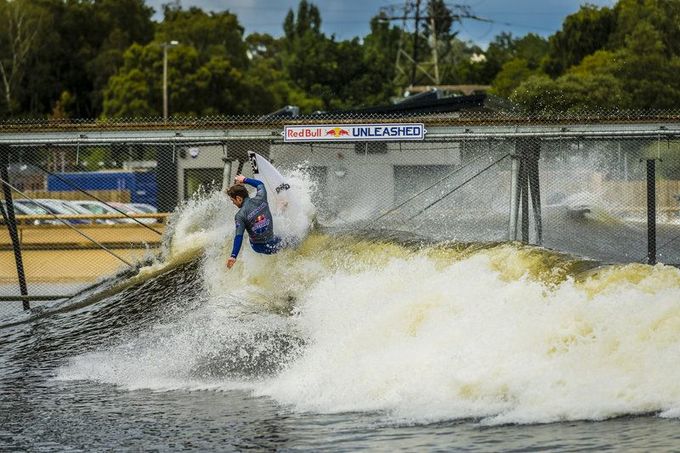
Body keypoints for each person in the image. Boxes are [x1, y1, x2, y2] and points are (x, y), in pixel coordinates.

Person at [226, 174, 282, 269]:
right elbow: (260, 184)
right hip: (271, 242)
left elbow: (239, 236)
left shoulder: (239, 215)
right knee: (292, 241)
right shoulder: (261, 197)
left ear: (239, 199)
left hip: (258, 247)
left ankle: (280, 208)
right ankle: (280, 208)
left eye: (233, 200)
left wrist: (233, 256)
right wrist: (244, 179)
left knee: (256, 223)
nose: (233, 203)